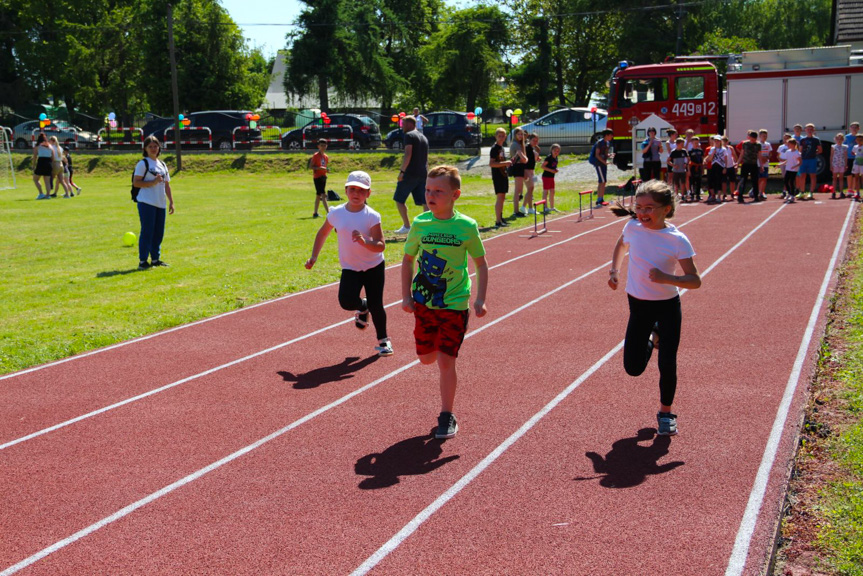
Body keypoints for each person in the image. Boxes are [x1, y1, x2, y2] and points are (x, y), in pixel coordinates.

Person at [608, 180, 702, 436]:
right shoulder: (632, 227)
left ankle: (666, 413)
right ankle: (653, 334)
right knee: (633, 368)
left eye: (649, 208)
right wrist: (614, 270)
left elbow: (695, 280)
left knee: (667, 362)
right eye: (639, 207)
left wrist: (667, 278)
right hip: (638, 305)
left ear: (666, 209)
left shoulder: (677, 240)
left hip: (667, 307)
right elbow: (621, 244)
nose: (642, 213)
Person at [401, 165, 488, 439]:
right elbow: (407, 260)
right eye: (428, 189)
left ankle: (446, 414)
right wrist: (405, 295)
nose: (431, 195)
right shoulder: (420, 223)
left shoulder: (466, 226)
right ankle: (436, 348)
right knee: (426, 359)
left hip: (455, 304)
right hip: (424, 303)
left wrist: (480, 299)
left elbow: (481, 263)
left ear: (455, 195)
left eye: (438, 191)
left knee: (446, 361)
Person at [306, 170, 393, 356]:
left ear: (368, 193)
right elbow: (322, 233)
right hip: (351, 267)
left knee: (377, 305)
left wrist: (364, 242)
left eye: (361, 190)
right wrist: (314, 257)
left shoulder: (372, 216)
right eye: (352, 189)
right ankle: (362, 306)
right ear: (345, 190)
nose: (356, 194)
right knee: (346, 301)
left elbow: (380, 245)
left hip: (373, 266)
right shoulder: (336, 213)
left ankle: (383, 341)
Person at [134, 136, 175, 270]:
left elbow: (167, 185)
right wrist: (152, 182)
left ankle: (155, 259)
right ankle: (143, 261)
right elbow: (136, 182)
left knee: (158, 232)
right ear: (145, 149)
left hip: (160, 203)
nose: (153, 149)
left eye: (155, 146)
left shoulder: (162, 164)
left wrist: (171, 202)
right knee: (147, 231)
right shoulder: (143, 164)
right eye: (150, 146)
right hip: (146, 202)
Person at [394, 115, 429, 234]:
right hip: (423, 173)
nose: (402, 127)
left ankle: (407, 226)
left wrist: (402, 171)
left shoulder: (409, 136)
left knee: (399, 199)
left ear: (409, 124)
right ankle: (427, 225)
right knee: (425, 201)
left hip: (410, 173)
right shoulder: (423, 136)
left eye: (403, 124)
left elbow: (408, 154)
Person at [489, 127, 512, 228]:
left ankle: (501, 218)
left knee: (502, 197)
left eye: (503, 136)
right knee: (500, 197)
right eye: (499, 136)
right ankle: (498, 220)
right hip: (497, 175)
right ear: (496, 136)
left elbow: (501, 161)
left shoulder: (502, 148)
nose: (501, 138)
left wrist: (507, 164)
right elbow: (492, 163)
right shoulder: (494, 149)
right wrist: (505, 163)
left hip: (503, 174)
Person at [798, 123, 822, 200]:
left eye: (811, 129)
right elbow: (800, 150)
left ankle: (811, 192)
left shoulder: (816, 139)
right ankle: (802, 192)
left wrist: (814, 153)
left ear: (813, 130)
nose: (809, 130)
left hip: (812, 160)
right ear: (805, 130)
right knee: (802, 176)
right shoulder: (802, 140)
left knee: (812, 176)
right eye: (808, 129)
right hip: (803, 160)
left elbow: (820, 150)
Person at [590, 129, 613, 206]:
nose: (612, 136)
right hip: (598, 163)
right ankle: (599, 199)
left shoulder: (607, 143)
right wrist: (604, 162)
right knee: (602, 181)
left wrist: (610, 155)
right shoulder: (600, 143)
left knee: (604, 181)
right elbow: (597, 155)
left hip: (603, 163)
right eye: (610, 135)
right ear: (606, 135)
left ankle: (601, 198)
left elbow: (605, 153)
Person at [737, 130, 761, 204]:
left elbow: (759, 155)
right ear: (749, 137)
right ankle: (740, 196)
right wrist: (737, 163)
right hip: (745, 164)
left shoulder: (758, 145)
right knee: (743, 180)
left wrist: (761, 165)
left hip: (754, 164)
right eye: (752, 138)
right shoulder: (745, 144)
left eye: (754, 139)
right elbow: (742, 154)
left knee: (755, 181)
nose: (753, 140)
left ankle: (756, 196)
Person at [309, 138, 330, 218]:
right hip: (317, 177)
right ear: (318, 146)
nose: (323, 147)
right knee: (323, 194)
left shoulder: (326, 157)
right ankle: (328, 212)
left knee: (318, 195)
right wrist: (319, 168)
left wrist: (326, 170)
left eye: (324, 145)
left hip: (323, 177)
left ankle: (315, 213)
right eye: (321, 145)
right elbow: (311, 167)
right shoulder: (315, 156)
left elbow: (325, 167)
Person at [509, 127, 528, 218]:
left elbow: (524, 159)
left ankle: (517, 209)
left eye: (522, 134)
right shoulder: (516, 145)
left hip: (520, 167)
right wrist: (525, 159)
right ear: (515, 135)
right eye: (518, 134)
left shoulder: (520, 145)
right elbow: (524, 159)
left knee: (519, 189)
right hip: (517, 167)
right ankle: (516, 211)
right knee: (517, 190)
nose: (520, 136)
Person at [705, 135, 729, 204]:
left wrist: (725, 167)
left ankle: (718, 196)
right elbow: (709, 159)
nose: (716, 142)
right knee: (711, 181)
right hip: (713, 166)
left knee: (719, 181)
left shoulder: (723, 149)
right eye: (715, 141)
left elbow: (725, 159)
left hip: (720, 166)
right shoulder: (712, 149)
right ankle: (713, 195)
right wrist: (713, 152)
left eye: (718, 141)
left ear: (720, 141)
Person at [522, 133, 540, 214]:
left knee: (531, 189)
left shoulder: (532, 148)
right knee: (530, 188)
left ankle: (529, 208)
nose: (535, 142)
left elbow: (532, 159)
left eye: (536, 141)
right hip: (526, 170)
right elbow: (524, 160)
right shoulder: (526, 147)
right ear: (530, 140)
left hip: (531, 170)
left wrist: (537, 158)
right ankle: (524, 206)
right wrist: (524, 172)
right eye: (534, 140)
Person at [778, 138, 801, 203]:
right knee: (785, 181)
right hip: (788, 169)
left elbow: (800, 162)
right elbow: (787, 160)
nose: (788, 145)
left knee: (791, 182)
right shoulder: (788, 152)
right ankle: (790, 193)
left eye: (789, 144)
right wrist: (780, 164)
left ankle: (792, 196)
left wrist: (795, 166)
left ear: (793, 144)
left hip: (794, 170)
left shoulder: (797, 153)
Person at [541, 143, 561, 213]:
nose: (556, 152)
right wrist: (551, 170)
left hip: (552, 177)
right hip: (546, 177)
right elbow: (542, 166)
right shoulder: (548, 157)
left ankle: (552, 207)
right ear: (551, 150)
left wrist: (555, 170)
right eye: (555, 150)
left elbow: (553, 166)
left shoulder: (556, 158)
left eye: (558, 151)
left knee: (552, 191)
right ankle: (545, 207)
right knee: (545, 192)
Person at [831, 132, 848, 199]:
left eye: (841, 139)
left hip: (842, 164)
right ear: (835, 139)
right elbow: (831, 156)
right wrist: (831, 164)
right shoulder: (833, 147)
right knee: (834, 178)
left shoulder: (845, 147)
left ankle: (841, 191)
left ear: (843, 140)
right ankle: (833, 192)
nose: (839, 140)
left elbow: (845, 156)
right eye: (838, 139)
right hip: (835, 164)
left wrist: (846, 164)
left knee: (841, 178)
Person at [687, 137, 704, 202]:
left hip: (699, 167)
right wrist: (688, 170)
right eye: (695, 143)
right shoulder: (690, 151)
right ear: (692, 143)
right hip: (692, 168)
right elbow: (688, 162)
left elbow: (702, 160)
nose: (696, 144)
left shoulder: (700, 151)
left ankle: (698, 195)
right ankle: (692, 194)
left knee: (699, 182)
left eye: (697, 143)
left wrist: (702, 169)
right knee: (692, 182)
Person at [757, 129, 771, 200]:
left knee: (764, 178)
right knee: (759, 178)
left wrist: (767, 158)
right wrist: (762, 158)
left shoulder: (768, 144)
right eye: (763, 136)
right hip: (759, 164)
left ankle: (762, 192)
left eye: (766, 136)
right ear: (760, 136)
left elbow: (770, 153)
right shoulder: (758, 144)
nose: (765, 137)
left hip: (766, 164)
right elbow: (757, 154)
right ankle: (757, 191)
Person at [777, 133, 791, 198]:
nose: (786, 139)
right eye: (785, 138)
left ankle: (786, 191)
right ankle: (786, 191)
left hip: (789, 163)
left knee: (789, 178)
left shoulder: (791, 146)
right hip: (782, 163)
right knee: (785, 178)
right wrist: (781, 160)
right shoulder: (781, 147)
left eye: (787, 138)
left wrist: (787, 160)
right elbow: (778, 156)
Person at [851, 134, 863, 199]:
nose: (859, 141)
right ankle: (858, 193)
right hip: (856, 164)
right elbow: (852, 152)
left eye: (861, 140)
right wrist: (855, 154)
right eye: (858, 140)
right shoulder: (855, 147)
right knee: (856, 178)